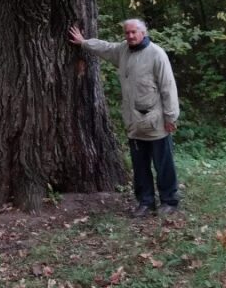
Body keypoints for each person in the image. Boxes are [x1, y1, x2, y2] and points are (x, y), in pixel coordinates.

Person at [69, 18, 181, 217]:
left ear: (143, 33)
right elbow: (105, 48)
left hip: (156, 121)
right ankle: (145, 202)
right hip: (134, 123)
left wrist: (171, 117)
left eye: (133, 32)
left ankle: (169, 201)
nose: (129, 36)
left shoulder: (156, 54)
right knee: (140, 167)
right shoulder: (123, 51)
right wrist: (84, 42)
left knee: (163, 164)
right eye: (127, 32)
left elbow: (168, 88)